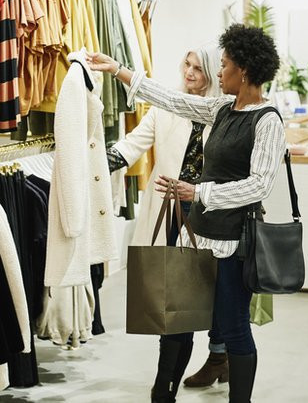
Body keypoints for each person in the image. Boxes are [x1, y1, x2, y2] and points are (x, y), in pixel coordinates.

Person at [88, 24, 286, 403]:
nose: (218, 73)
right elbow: (171, 100)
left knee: (232, 328)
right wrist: (118, 70)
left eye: (224, 65)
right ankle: (163, 394)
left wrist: (198, 191)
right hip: (195, 235)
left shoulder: (268, 121)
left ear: (242, 70)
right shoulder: (223, 108)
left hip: (232, 243)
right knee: (176, 322)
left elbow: (259, 184)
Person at [104, 47, 230, 399]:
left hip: (206, 219)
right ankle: (165, 385)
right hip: (167, 217)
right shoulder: (165, 107)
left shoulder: (221, 115)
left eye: (199, 69)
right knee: (172, 307)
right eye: (186, 65)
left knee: (196, 304)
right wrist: (95, 164)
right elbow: (132, 145)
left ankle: (190, 372)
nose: (190, 73)